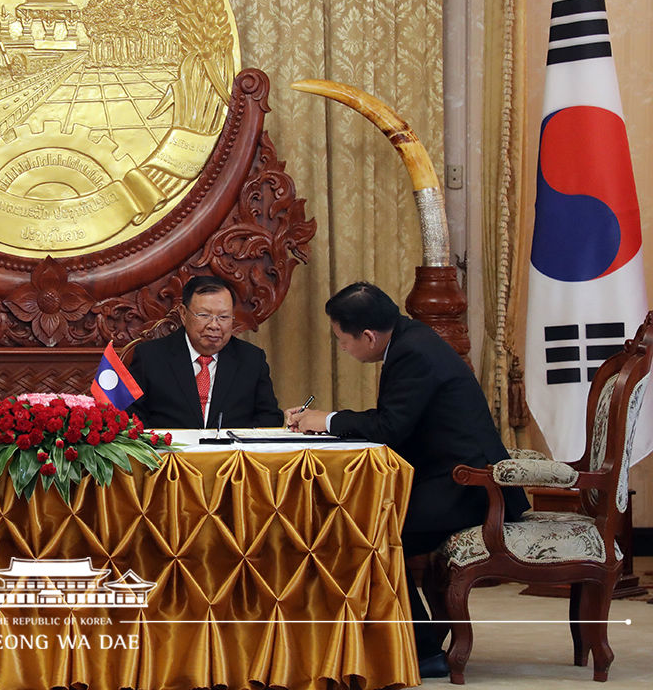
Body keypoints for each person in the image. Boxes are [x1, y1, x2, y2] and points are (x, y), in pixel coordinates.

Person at [286, 281, 529, 678]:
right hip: (451, 480)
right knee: (361, 523)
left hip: (470, 489)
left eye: (342, 340)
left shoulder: (413, 350)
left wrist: (326, 420)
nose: (343, 349)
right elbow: (400, 420)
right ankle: (403, 639)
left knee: (369, 533)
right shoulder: (410, 340)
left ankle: (423, 650)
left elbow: (390, 427)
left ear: (367, 335)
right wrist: (328, 422)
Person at [127, 275, 281, 429]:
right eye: (204, 315)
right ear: (183, 313)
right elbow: (132, 416)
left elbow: (269, 417)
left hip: (230, 452)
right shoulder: (150, 357)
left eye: (223, 317)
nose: (214, 325)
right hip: (170, 451)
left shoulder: (251, 360)